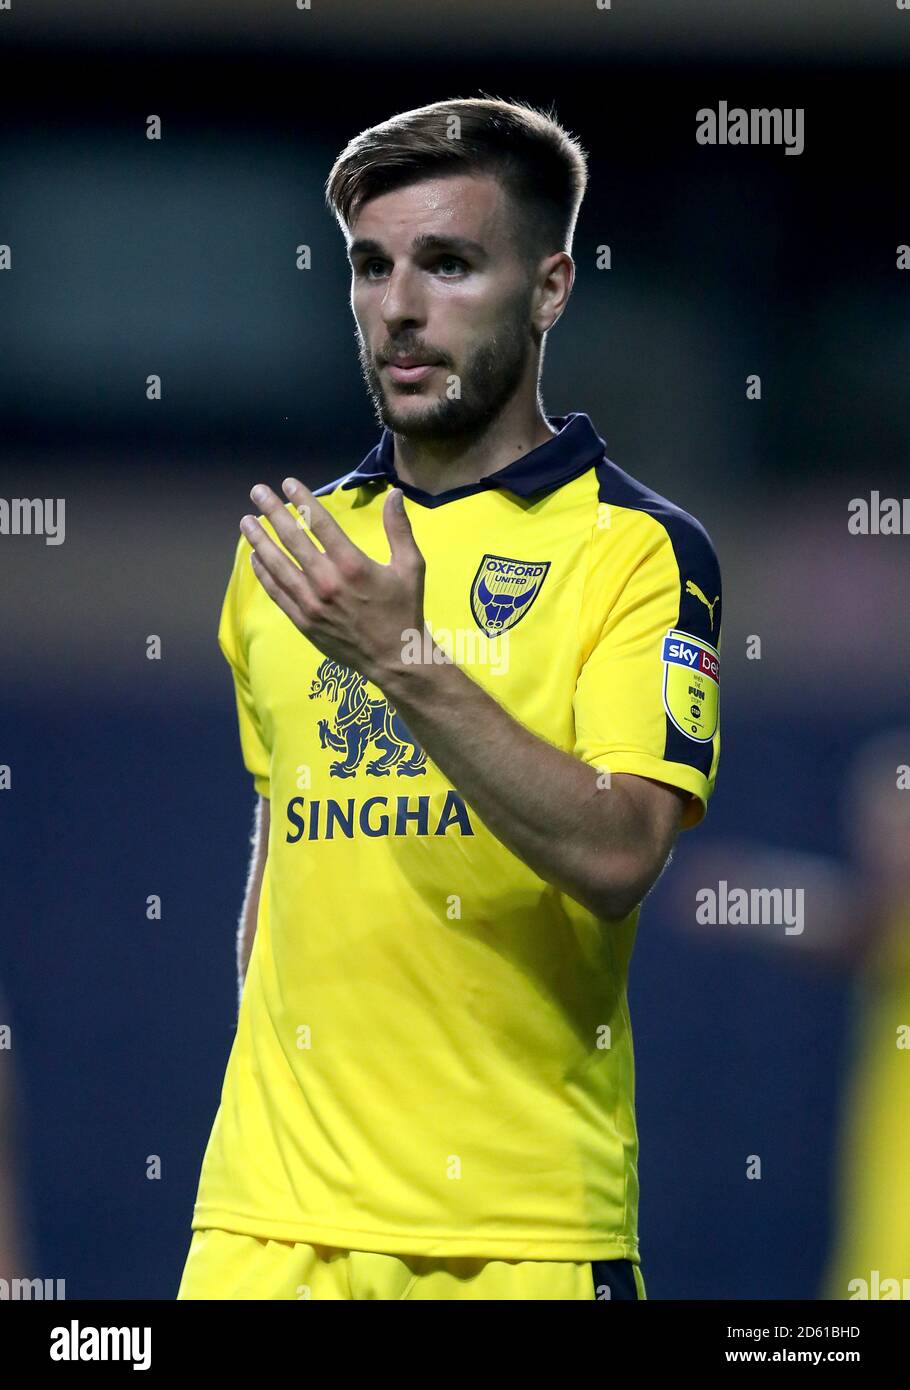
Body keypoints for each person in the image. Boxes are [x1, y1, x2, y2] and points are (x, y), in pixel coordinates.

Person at [177, 96, 722, 1301]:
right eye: (372, 267)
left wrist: (405, 662)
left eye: (450, 263)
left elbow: (623, 849)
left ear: (549, 287)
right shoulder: (290, 553)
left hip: (515, 1235)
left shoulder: (633, 550)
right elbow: (282, 856)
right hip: (266, 1229)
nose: (399, 309)